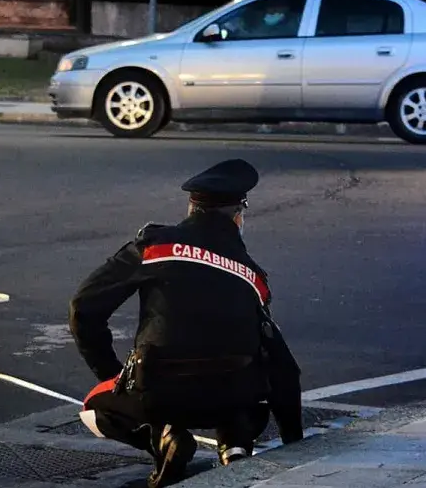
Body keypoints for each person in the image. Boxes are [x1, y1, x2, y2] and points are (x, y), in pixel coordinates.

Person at [69, 159, 303, 488]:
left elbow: (84, 307)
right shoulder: (253, 276)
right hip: (230, 400)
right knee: (239, 371)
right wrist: (296, 444)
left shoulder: (154, 247)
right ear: (238, 215)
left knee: (94, 408)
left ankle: (164, 438)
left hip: (158, 396)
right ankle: (234, 450)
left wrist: (111, 374)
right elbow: (284, 367)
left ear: (191, 208)